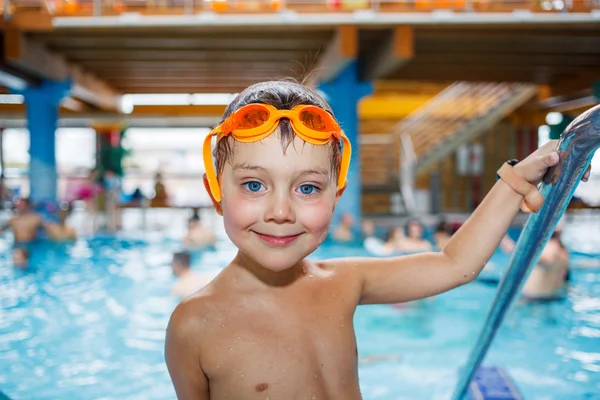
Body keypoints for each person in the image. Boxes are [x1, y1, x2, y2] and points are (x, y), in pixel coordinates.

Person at [164, 80, 590, 400]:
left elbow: (454, 264)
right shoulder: (194, 324)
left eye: (307, 188)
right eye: (254, 186)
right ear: (215, 192)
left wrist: (516, 180)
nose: (280, 211)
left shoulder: (343, 282)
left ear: (337, 196)